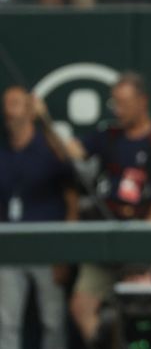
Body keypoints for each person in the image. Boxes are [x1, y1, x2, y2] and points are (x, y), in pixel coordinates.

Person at [65, 72, 151, 344]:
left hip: (144, 246)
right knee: (81, 305)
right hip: (106, 243)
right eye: (115, 102)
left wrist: (145, 238)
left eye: (124, 102)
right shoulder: (108, 136)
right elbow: (73, 151)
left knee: (150, 313)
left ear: (142, 101)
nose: (119, 109)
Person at [0, 86, 79, 349]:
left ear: (29, 110)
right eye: (6, 104)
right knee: (6, 321)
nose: (8, 110)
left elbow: (72, 182)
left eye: (15, 103)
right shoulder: (4, 151)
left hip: (47, 246)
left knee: (53, 320)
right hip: (10, 248)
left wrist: (64, 252)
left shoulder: (48, 149)